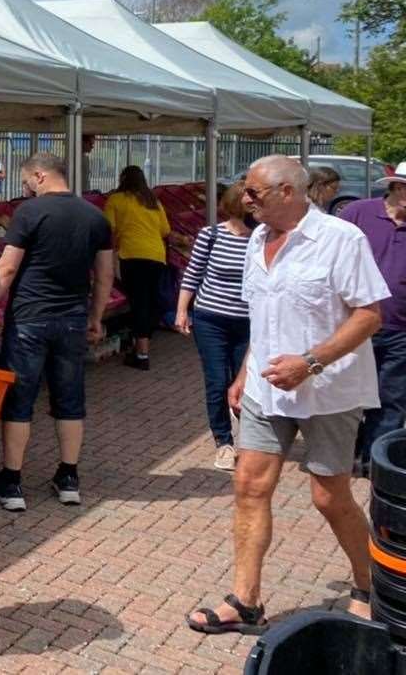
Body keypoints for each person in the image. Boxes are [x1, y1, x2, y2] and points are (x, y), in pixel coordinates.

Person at [187, 155, 387, 634]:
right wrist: (243, 373)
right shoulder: (256, 238)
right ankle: (246, 600)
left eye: (254, 191)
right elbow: (266, 316)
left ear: (288, 192)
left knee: (328, 495)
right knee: (249, 484)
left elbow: (369, 315)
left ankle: (370, 586)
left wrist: (310, 363)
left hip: (329, 390)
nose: (245, 198)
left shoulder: (341, 239)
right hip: (264, 388)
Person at [0, 152, 113, 512]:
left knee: (21, 397)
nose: (25, 188)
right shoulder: (95, 216)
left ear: (39, 176)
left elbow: (6, 268)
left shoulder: (30, 213)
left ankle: (12, 481)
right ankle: (68, 477)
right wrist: (96, 316)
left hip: (29, 317)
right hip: (72, 318)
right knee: (70, 397)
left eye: (25, 182)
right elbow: (105, 274)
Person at [175, 182, 255, 471]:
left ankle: (250, 441)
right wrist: (182, 310)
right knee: (217, 381)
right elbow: (193, 272)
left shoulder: (261, 237)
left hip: (248, 322)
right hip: (211, 318)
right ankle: (223, 442)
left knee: (246, 382)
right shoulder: (210, 235)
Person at [339, 165, 406, 476]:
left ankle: (375, 463)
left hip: (400, 329)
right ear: (395, 187)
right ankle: (346, 450)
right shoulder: (358, 213)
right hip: (353, 324)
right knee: (348, 393)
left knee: (392, 397)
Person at [104, 165, 171, 371]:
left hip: (132, 256)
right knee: (149, 302)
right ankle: (141, 344)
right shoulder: (153, 201)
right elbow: (165, 230)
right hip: (157, 256)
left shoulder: (116, 200)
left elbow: (108, 229)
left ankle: (142, 353)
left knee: (139, 302)